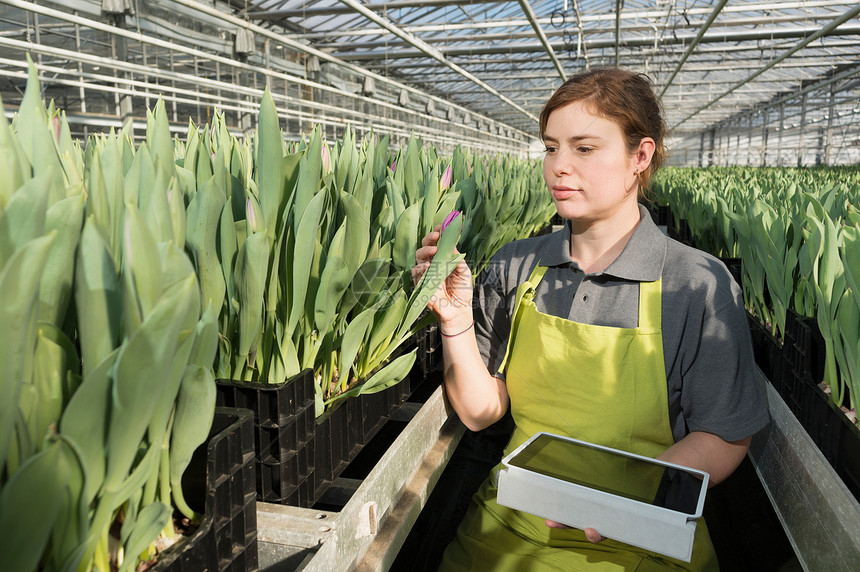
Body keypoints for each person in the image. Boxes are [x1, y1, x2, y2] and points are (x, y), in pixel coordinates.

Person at [411, 67, 770, 571]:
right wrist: (454, 320)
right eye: (550, 147)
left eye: (584, 148)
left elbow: (725, 435)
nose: (559, 166)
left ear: (639, 157)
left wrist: (616, 499)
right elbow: (479, 412)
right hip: (510, 523)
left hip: (641, 537)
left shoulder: (696, 283)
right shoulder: (516, 263)